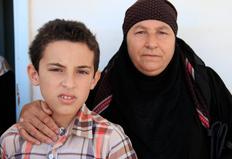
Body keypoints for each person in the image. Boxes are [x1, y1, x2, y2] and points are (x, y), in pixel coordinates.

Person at [18, 0, 232, 159]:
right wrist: (34, 110)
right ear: (126, 39)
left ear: (175, 38)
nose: (151, 43)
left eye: (162, 32)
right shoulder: (100, 86)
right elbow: (65, 114)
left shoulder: (203, 83)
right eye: (140, 32)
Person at [0, 19, 137, 159]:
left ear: (94, 80)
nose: (69, 83)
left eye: (82, 72)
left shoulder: (112, 141)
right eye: (57, 69)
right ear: (35, 75)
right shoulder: (11, 141)